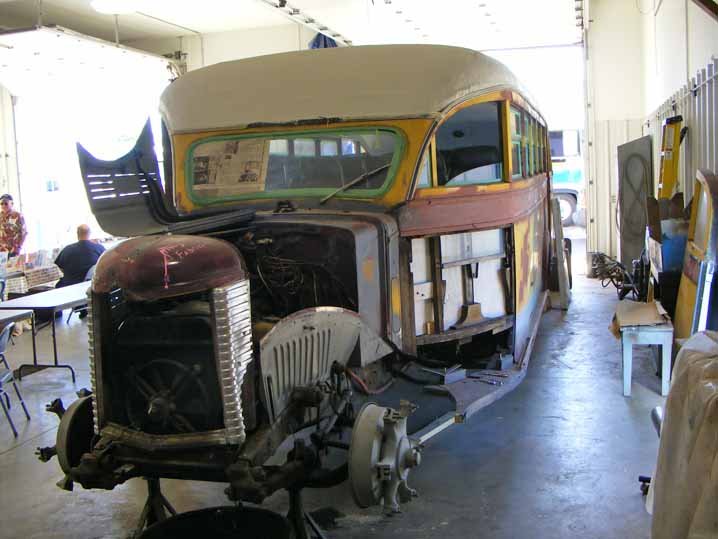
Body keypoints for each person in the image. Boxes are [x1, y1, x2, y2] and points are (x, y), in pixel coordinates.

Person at [55, 224, 105, 288]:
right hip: (90, 286)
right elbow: (105, 267)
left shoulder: (67, 249)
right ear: (89, 233)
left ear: (77, 233)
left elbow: (60, 267)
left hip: (68, 286)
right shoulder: (99, 248)